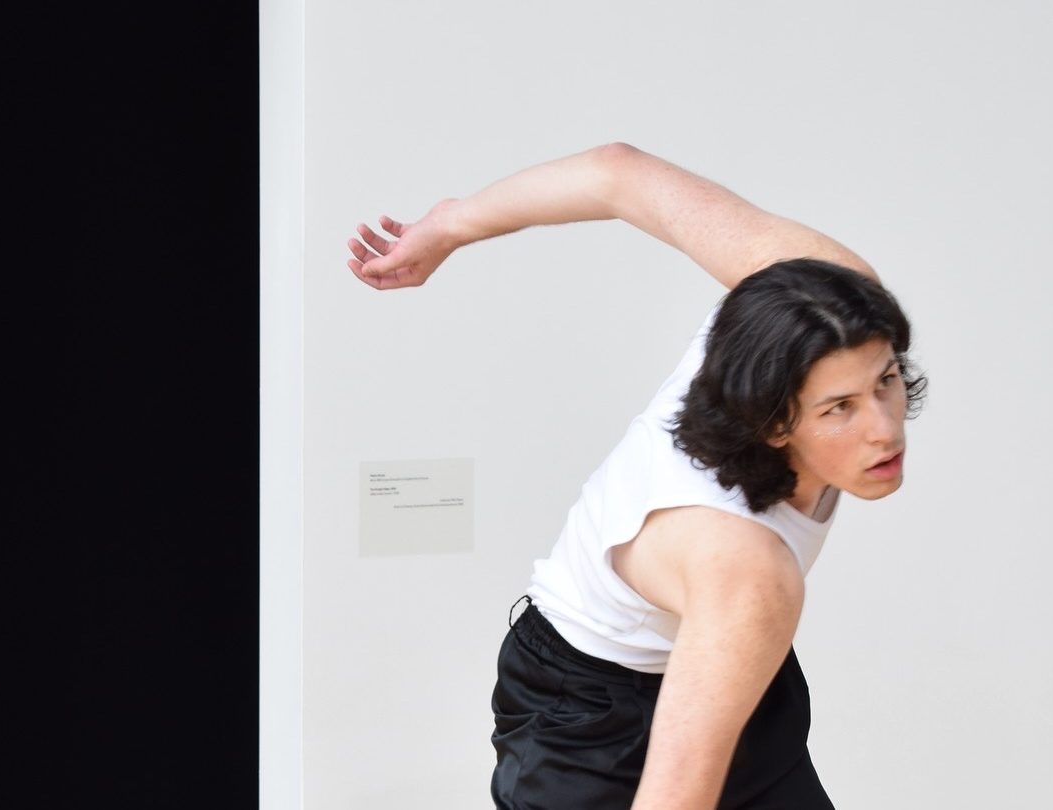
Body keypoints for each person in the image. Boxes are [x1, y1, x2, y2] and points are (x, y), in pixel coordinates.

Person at [345, 142, 926, 810]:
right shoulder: (747, 573)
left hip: (718, 653)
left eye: (886, 381)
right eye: (839, 409)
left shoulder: (829, 304)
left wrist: (452, 224)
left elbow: (617, 174)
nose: (885, 429)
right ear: (774, 423)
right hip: (585, 719)